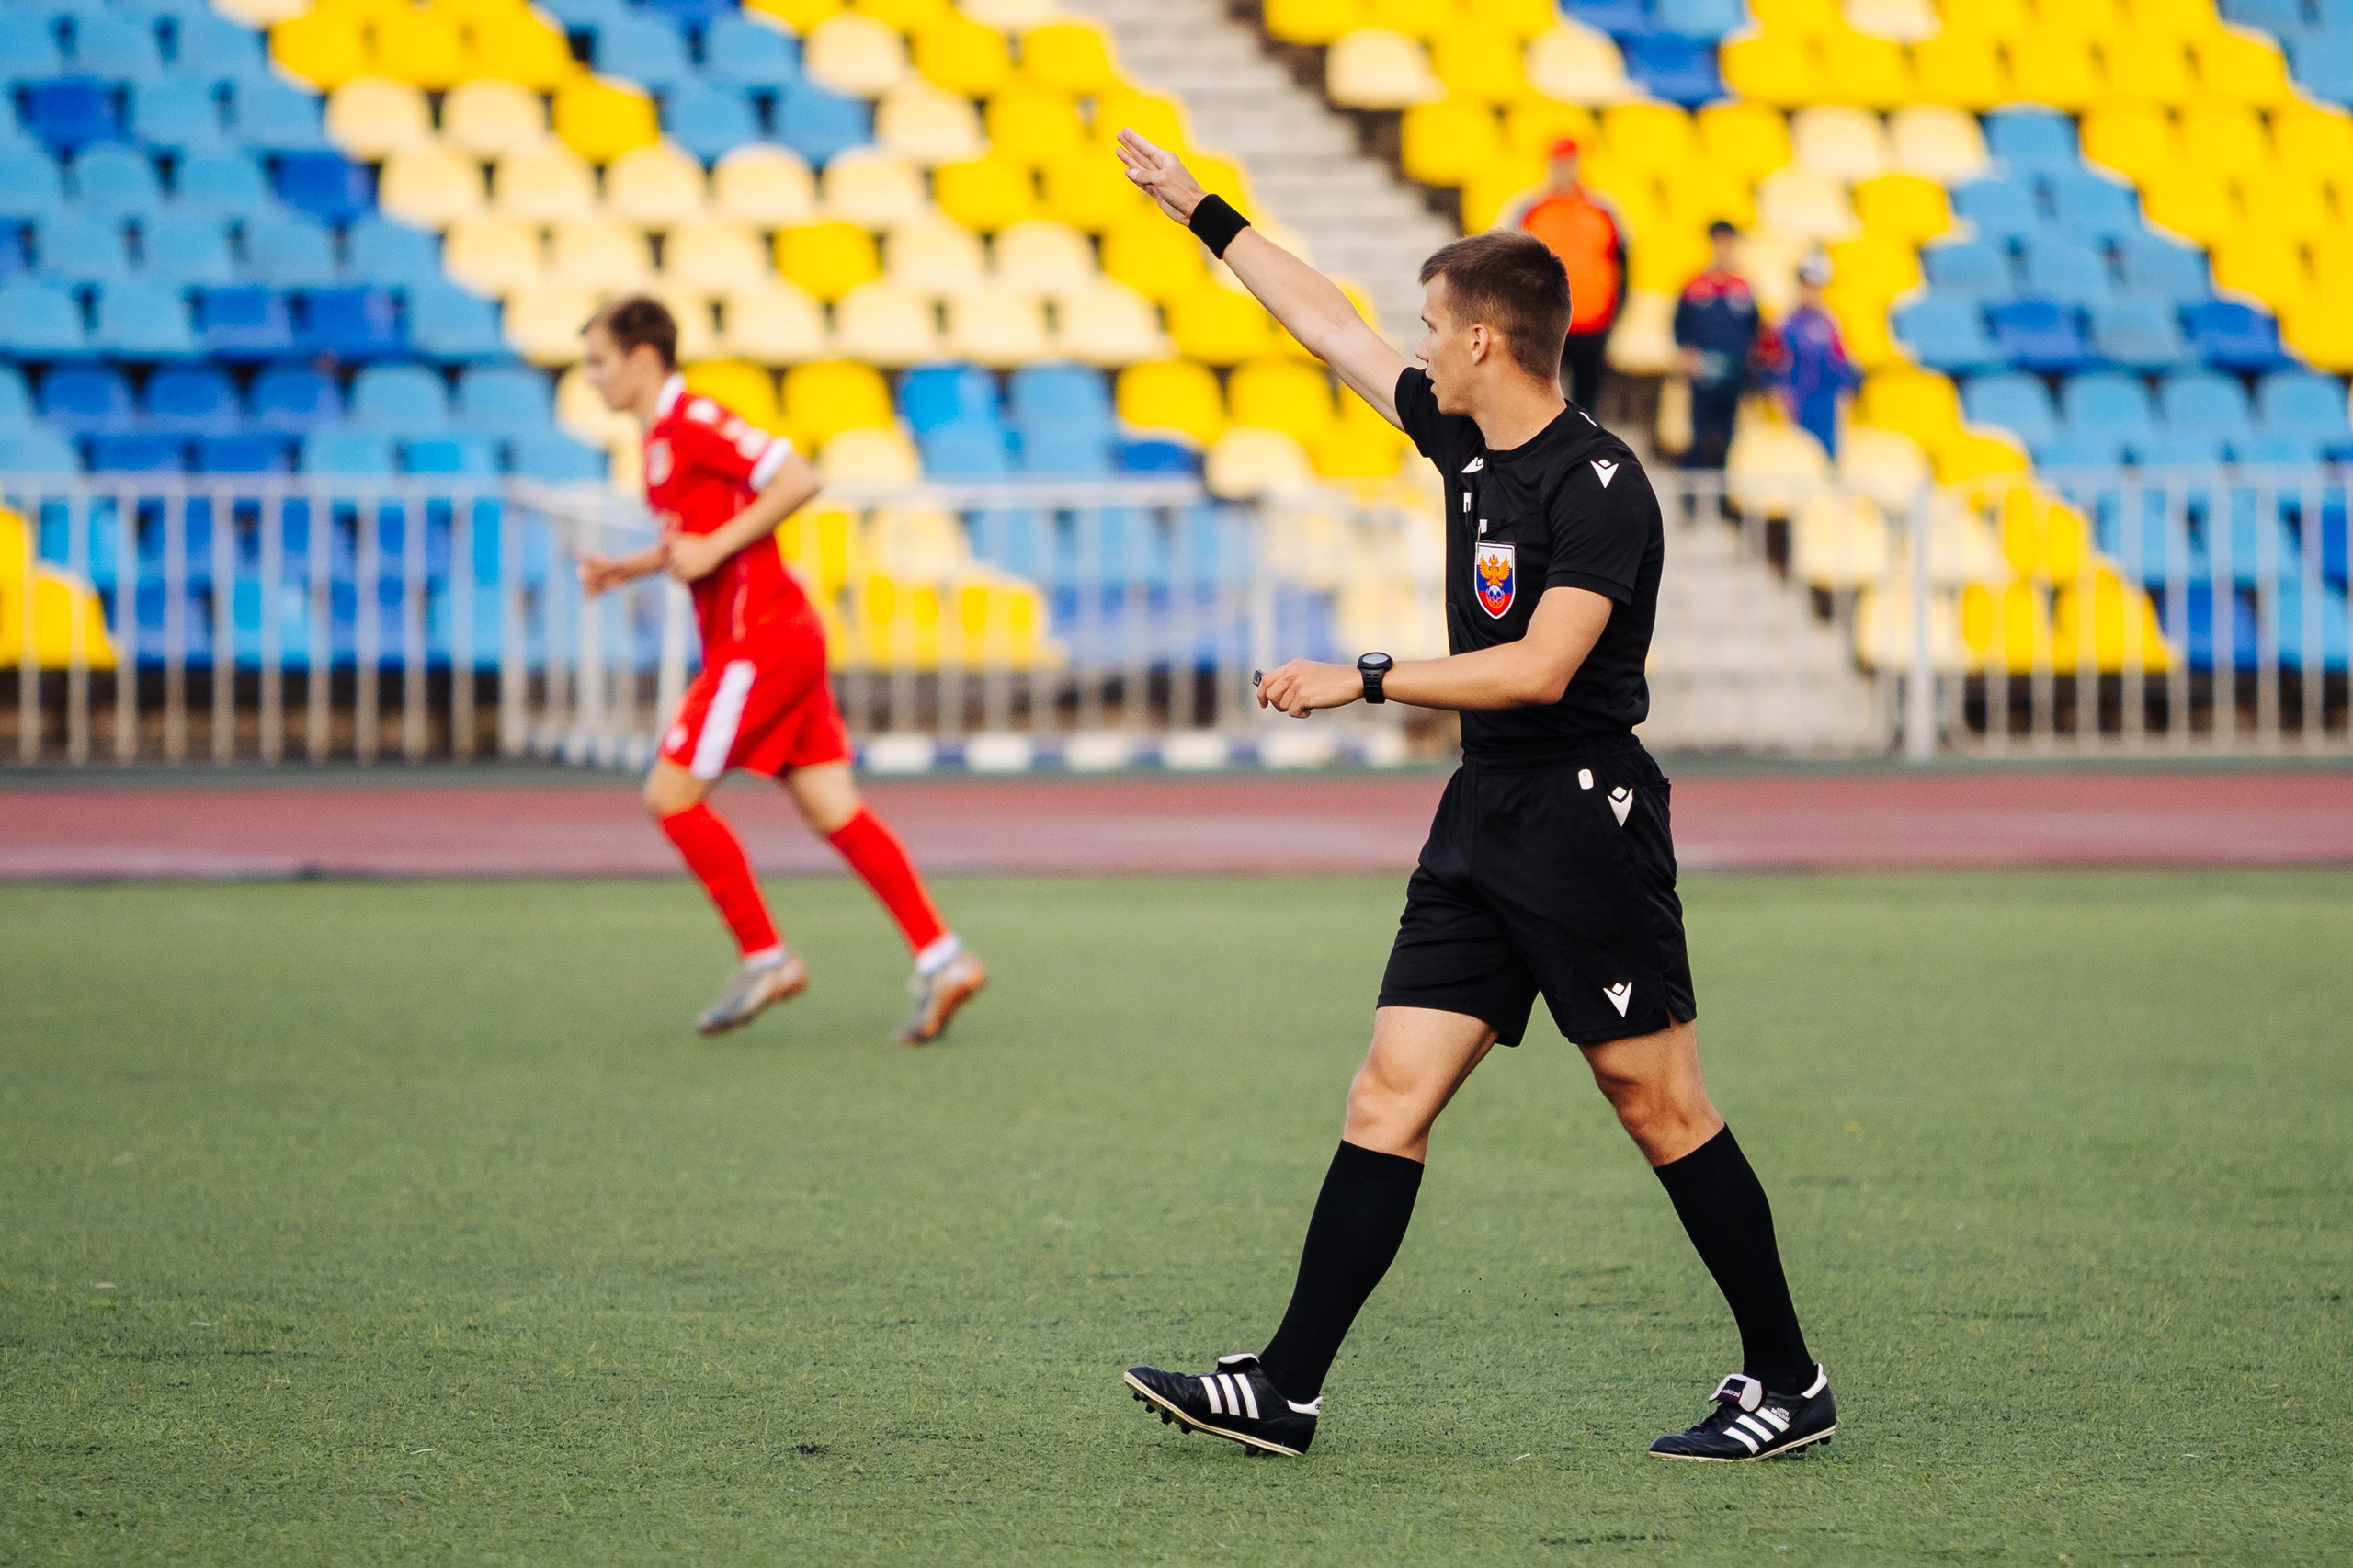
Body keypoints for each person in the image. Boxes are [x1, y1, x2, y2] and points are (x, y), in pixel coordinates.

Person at [1108, 132, 1833, 1462]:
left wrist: (1366, 675)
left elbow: (1543, 666)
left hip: (1585, 820)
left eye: (1435, 325)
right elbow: (1325, 321)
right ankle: (1285, 1386)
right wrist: (1199, 210)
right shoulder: (1462, 440)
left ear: (1487, 342)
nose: (1419, 344)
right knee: (1388, 1091)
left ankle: (1788, 1380)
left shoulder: (1601, 485)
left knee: (1658, 1102)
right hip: (1483, 815)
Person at [574, 297, 986, 1044]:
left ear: (642, 358)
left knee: (670, 796)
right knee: (833, 810)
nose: (591, 377)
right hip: (776, 634)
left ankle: (766, 957)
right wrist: (632, 567)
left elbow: (798, 478)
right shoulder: (661, 437)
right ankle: (944, 958)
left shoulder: (694, 420)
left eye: (599, 362)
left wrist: (712, 548)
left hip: (759, 639)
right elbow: (698, 537)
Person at [1495, 137, 1627, 414]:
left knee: (1587, 403)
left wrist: (1614, 315)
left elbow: (1623, 264)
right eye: (1558, 164)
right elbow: (1506, 265)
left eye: (1569, 163)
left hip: (1592, 323)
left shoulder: (1604, 209)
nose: (1564, 170)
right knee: (1540, 399)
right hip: (1542, 324)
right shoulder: (1528, 208)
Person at [1672, 221, 1768, 471]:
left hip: (1734, 374)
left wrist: (1751, 368)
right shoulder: (1694, 285)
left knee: (1729, 438)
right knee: (1698, 436)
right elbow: (1680, 326)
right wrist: (1685, 353)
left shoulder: (1744, 287)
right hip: (1702, 372)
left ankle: (1723, 490)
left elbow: (1755, 329)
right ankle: (1691, 491)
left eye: (1729, 243)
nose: (1724, 248)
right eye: (1720, 242)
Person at [1774, 253, 1860, 459]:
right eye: (1807, 285)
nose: (1811, 292)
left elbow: (1843, 365)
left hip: (1826, 405)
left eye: (1816, 286)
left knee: (1828, 457)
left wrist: (1843, 398)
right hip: (1797, 403)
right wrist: (1782, 399)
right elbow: (1775, 366)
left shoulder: (1831, 323)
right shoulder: (1784, 323)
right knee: (1798, 458)